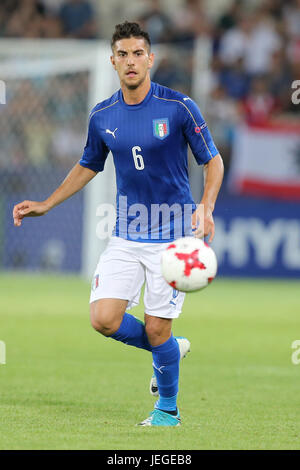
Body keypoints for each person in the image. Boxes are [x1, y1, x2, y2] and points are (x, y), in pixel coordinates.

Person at [13, 21, 224, 426]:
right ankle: (168, 350)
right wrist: (46, 204)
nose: (131, 61)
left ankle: (168, 411)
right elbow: (88, 164)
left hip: (174, 236)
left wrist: (207, 206)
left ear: (151, 59)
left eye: (138, 54)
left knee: (157, 328)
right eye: (123, 54)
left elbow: (212, 160)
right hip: (127, 233)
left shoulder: (179, 107)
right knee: (103, 319)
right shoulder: (102, 115)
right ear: (112, 61)